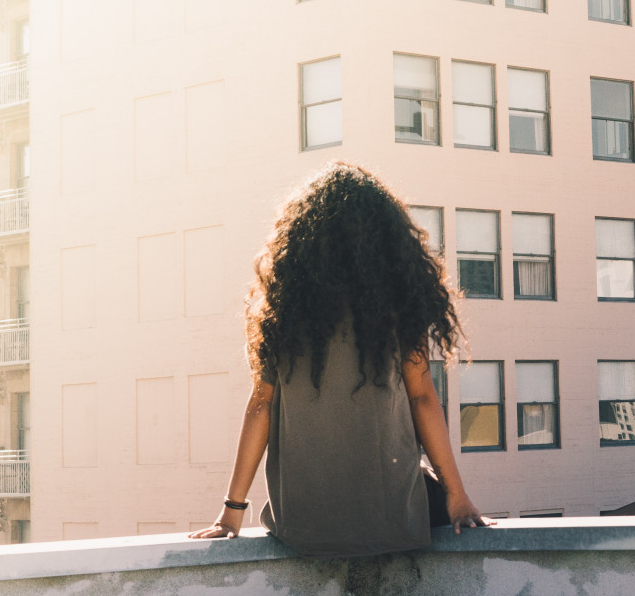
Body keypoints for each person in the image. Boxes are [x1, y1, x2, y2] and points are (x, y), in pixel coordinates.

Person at [189, 162, 491, 555]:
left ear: (300, 241)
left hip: (302, 527)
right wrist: (457, 497)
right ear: (384, 238)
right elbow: (422, 399)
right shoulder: (398, 307)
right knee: (424, 484)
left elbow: (260, 406)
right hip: (390, 523)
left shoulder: (281, 311)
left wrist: (231, 512)